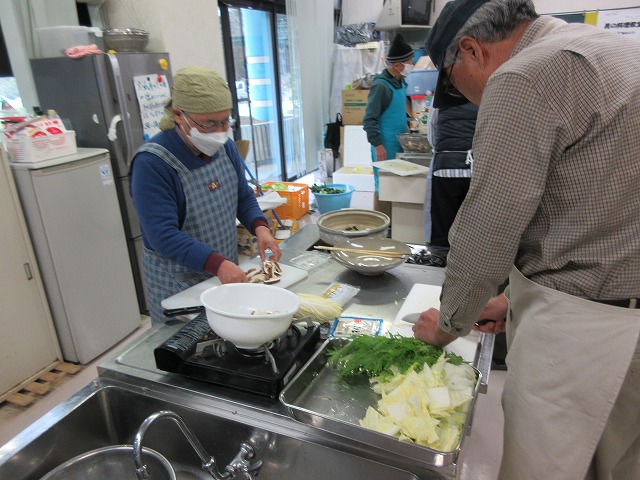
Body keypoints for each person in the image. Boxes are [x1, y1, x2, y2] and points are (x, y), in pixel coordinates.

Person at [411, 1, 640, 479]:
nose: (466, 99)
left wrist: (449, 324)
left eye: (453, 84)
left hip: (580, 333)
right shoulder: (617, 51)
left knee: (542, 468)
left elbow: (487, 229)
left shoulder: (524, 76)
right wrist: (506, 302)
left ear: (472, 51)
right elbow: (593, 208)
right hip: (624, 316)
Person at [130, 66, 281, 325]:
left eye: (226, 121)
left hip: (221, 270)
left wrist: (260, 227)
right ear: (179, 115)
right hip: (177, 284)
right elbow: (162, 235)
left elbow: (242, 196)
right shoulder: (153, 163)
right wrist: (217, 263)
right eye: (210, 123)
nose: (220, 131)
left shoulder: (225, 148)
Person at [362, 33, 414, 216]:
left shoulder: (400, 82)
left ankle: (395, 226)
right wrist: (378, 144)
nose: (411, 65)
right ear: (398, 65)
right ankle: (382, 229)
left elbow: (398, 112)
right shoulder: (382, 86)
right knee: (383, 187)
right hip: (384, 146)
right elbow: (369, 119)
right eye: (410, 62)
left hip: (398, 145)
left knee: (395, 186)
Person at [422, 100, 478, 267]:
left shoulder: (441, 98)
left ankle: (440, 261)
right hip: (476, 168)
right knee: (472, 225)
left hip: (444, 167)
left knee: (442, 222)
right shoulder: (485, 92)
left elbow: (432, 133)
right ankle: (469, 264)